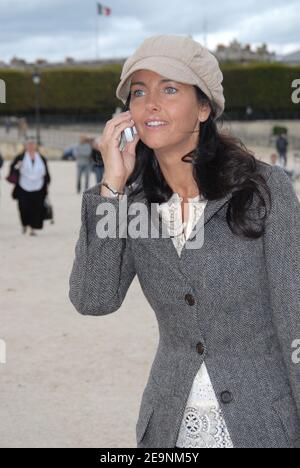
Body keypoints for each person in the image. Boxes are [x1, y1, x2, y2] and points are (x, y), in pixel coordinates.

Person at [69, 35, 300, 448]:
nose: (150, 103)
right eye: (139, 92)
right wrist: (111, 187)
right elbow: (94, 297)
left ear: (205, 108)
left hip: (262, 423)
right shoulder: (132, 204)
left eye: (169, 89)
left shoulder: (265, 189)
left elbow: (295, 315)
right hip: (170, 426)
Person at [9, 135, 51, 236]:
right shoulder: (20, 157)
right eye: (29, 144)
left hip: (38, 187)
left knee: (36, 208)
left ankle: (32, 228)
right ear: (26, 146)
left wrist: (47, 183)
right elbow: (13, 169)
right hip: (23, 187)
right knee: (23, 208)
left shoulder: (41, 158)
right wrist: (17, 166)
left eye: (33, 144)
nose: (31, 146)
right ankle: (25, 224)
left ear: (35, 146)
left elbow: (46, 172)